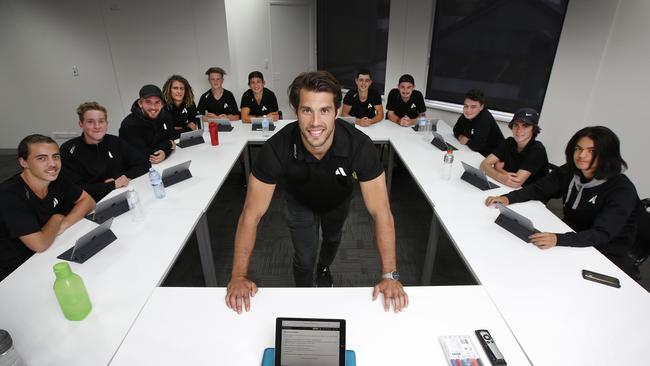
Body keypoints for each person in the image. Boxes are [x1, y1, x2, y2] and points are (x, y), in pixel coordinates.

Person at [225, 71, 408, 314]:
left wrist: (390, 275)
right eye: (307, 110)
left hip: (337, 202)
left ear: (336, 111)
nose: (315, 123)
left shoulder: (359, 146)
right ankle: (304, 297)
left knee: (332, 240)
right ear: (295, 110)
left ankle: (324, 268)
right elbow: (251, 214)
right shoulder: (276, 148)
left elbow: (381, 211)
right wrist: (238, 275)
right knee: (304, 257)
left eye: (324, 110)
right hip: (299, 203)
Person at [485, 126, 640, 276]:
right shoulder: (571, 171)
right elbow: (539, 188)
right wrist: (508, 198)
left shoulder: (622, 190)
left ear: (607, 155)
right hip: (571, 233)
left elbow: (601, 234)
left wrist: (558, 239)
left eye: (591, 151)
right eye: (578, 148)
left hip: (604, 252)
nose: (581, 155)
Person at [0, 135, 95, 281]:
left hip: (51, 248)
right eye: (41, 158)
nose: (52, 164)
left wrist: (63, 224)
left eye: (56, 157)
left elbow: (88, 201)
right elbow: (39, 244)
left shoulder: (55, 177)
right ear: (23, 162)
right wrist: (57, 218)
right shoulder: (9, 195)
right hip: (17, 270)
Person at [61, 102, 150, 202]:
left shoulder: (115, 142)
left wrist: (118, 178)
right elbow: (73, 189)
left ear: (107, 123)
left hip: (124, 195)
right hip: (92, 204)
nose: (97, 126)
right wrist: (111, 185)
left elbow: (144, 164)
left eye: (101, 121)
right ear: (81, 124)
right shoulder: (68, 150)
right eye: (90, 122)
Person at [479, 108, 548, 188]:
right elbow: (483, 165)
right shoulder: (509, 142)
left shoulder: (537, 150)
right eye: (516, 125)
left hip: (531, 195)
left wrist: (498, 169)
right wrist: (500, 176)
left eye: (525, 126)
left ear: (533, 129)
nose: (519, 130)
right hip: (507, 188)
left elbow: (516, 182)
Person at [119, 84, 176, 164]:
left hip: (166, 163)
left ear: (162, 104)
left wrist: (165, 153)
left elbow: (172, 138)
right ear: (140, 103)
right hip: (142, 171)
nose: (153, 107)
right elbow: (140, 155)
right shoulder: (129, 125)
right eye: (148, 102)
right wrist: (168, 144)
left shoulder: (165, 116)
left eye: (157, 102)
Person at [453, 89, 504, 156]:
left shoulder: (485, 117)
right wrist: (461, 137)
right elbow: (456, 129)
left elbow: (476, 146)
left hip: (495, 156)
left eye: (473, 107)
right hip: (478, 153)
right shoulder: (468, 115)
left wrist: (467, 140)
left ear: (481, 107)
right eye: (466, 106)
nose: (468, 110)